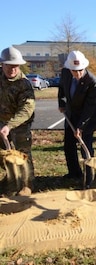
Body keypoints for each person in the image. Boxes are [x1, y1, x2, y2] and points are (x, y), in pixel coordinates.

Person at [58, 50, 96, 188]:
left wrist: (81, 127)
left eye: (80, 71)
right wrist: (62, 103)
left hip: (88, 117)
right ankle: (74, 172)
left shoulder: (93, 83)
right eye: (74, 71)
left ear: (84, 67)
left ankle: (89, 178)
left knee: (85, 146)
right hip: (71, 115)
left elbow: (89, 107)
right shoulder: (65, 73)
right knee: (69, 146)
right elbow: (62, 89)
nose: (77, 74)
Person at [0, 46, 35, 195]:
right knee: (5, 154)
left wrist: (10, 125)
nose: (13, 69)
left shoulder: (24, 84)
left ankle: (27, 185)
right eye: (9, 66)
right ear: (2, 64)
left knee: (23, 154)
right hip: (1, 122)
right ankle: (12, 179)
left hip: (20, 124)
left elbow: (26, 109)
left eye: (16, 66)